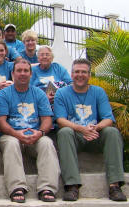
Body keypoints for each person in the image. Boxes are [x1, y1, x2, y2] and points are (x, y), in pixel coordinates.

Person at [54, 59, 127, 202]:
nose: (80, 75)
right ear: (71, 74)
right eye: (76, 72)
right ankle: (72, 185)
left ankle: (115, 185)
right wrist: (81, 129)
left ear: (89, 75)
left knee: (112, 132)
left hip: (95, 135)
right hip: (75, 136)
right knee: (64, 132)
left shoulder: (98, 92)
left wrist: (95, 127)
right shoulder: (62, 93)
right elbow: (60, 120)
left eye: (83, 72)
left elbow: (108, 119)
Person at [0, 59, 59, 203]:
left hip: (34, 136)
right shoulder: (4, 94)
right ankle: (16, 187)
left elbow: (47, 120)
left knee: (47, 143)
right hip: (11, 134)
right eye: (19, 70)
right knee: (11, 143)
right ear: (13, 74)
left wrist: (40, 133)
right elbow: (1, 121)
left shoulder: (39, 94)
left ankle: (47, 188)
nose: (22, 74)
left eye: (26, 71)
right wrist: (16, 134)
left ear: (31, 74)